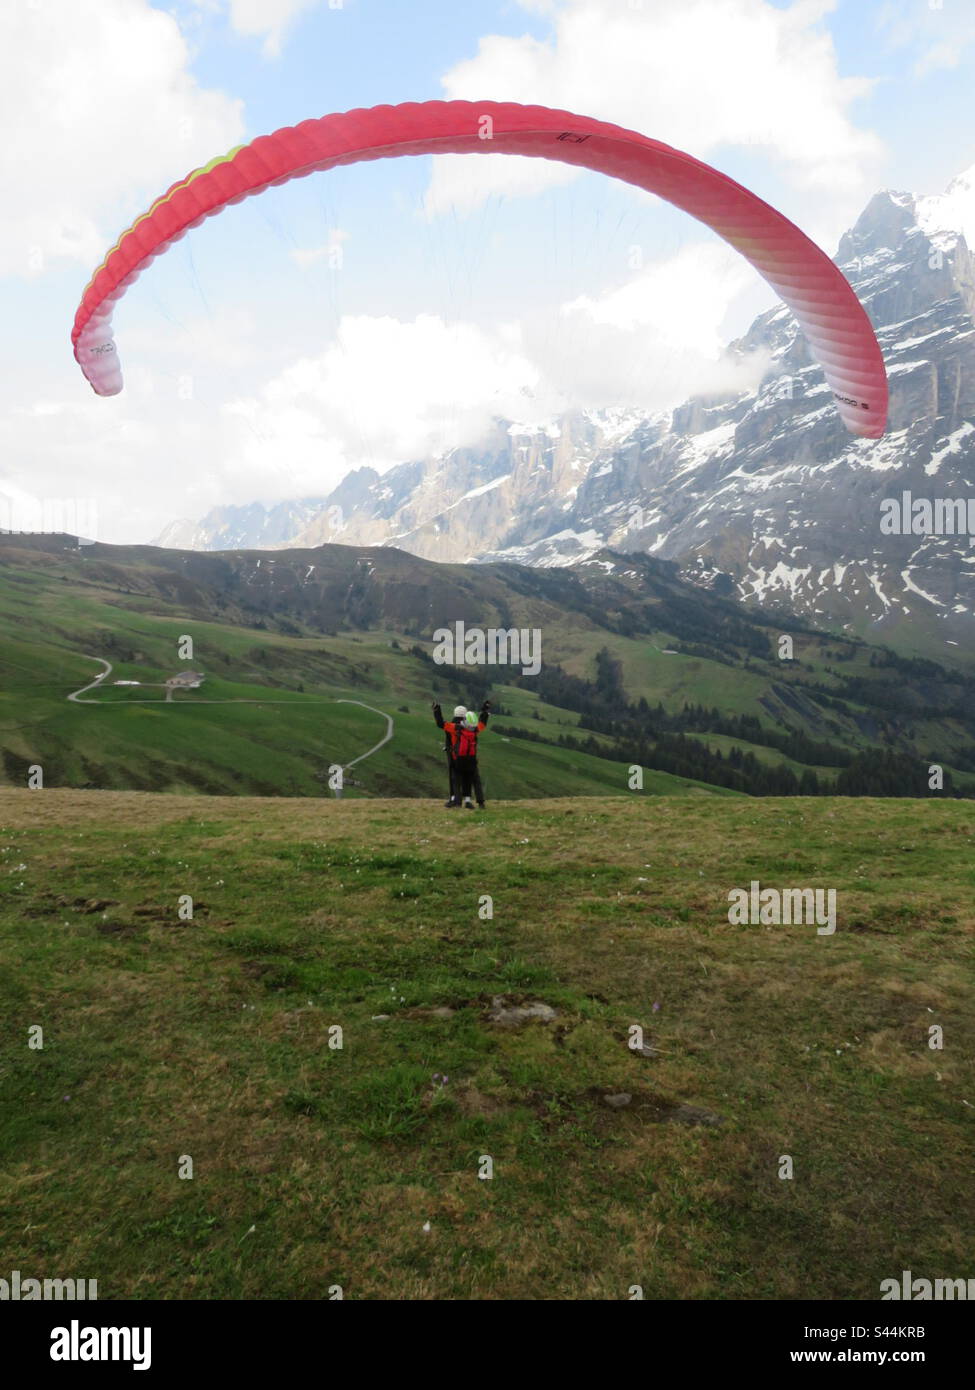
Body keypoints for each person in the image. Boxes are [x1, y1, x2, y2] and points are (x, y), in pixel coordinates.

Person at [432, 699, 490, 808]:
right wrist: (485, 710)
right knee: (473, 779)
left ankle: (456, 802)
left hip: (458, 758)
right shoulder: (474, 729)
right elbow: (483, 724)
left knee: (456, 779)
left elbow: (440, 723)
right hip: (471, 759)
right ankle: (478, 802)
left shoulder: (455, 728)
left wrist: (436, 709)